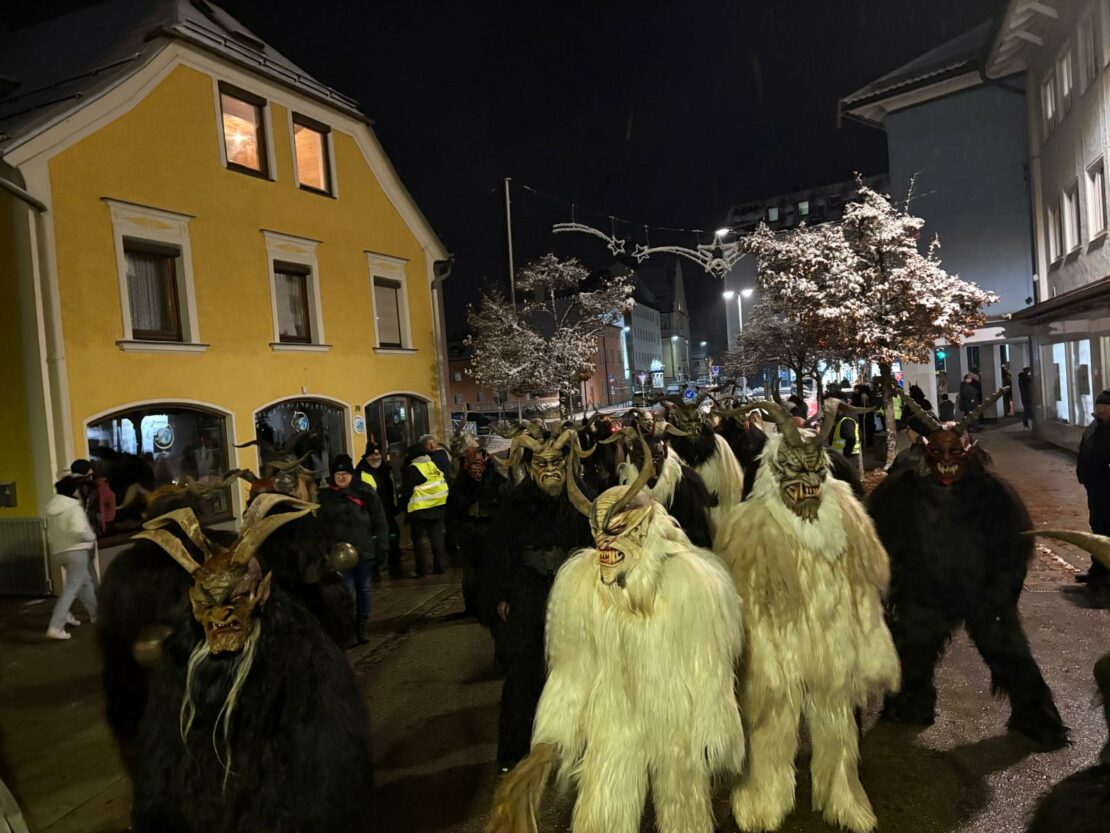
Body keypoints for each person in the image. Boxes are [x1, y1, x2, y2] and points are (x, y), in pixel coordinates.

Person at [318, 454, 389, 642]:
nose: (342, 477)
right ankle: (348, 629)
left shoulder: (364, 492)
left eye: (346, 473)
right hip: (339, 555)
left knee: (364, 590)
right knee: (346, 591)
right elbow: (320, 526)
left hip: (364, 550)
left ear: (352, 474)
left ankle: (362, 626)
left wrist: (382, 545)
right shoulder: (324, 497)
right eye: (338, 473)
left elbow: (380, 520)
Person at [44, 475, 99, 640]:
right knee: (73, 587)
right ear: (72, 490)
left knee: (84, 582)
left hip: (59, 551)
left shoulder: (51, 507)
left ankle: (95, 614)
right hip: (76, 550)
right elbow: (79, 529)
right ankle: (56, 625)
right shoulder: (74, 507)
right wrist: (91, 537)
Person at [1076, 391, 1110, 593]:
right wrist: (1082, 474)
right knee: (1098, 529)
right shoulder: (1092, 428)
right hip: (1095, 489)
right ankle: (1098, 570)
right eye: (1099, 405)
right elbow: (1084, 451)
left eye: (1106, 406)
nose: (1101, 409)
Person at [355, 440, 403, 579]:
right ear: (366, 457)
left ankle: (395, 567)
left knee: (394, 538)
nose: (376, 458)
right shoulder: (361, 472)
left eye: (378, 455)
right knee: (375, 543)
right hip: (371, 515)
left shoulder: (385, 469)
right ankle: (374, 572)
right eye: (372, 455)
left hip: (388, 511)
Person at [401, 442, 450, 576]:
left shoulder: (413, 469)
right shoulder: (432, 465)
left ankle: (421, 570)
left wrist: (403, 505)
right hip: (438, 506)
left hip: (420, 510)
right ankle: (439, 566)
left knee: (418, 541)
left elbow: (406, 491)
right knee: (437, 539)